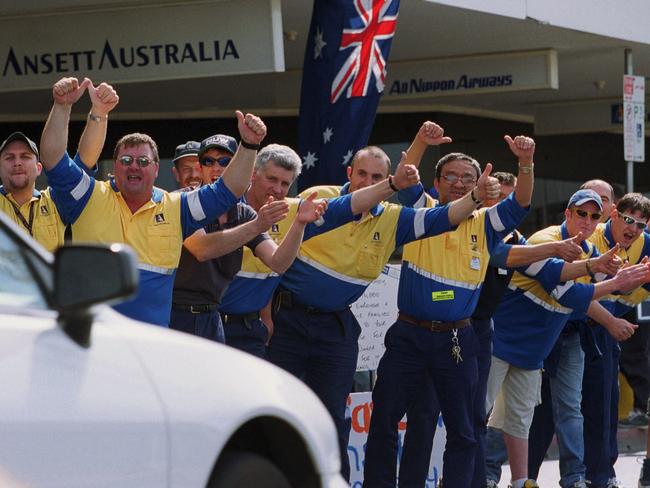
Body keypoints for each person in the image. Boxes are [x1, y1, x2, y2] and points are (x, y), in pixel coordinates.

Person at [269, 135, 502, 481]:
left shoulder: (394, 219)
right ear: (349, 172)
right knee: (276, 414)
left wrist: (475, 197)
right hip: (284, 322)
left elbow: (444, 217)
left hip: (336, 329)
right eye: (362, 174)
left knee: (333, 419)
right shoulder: (319, 199)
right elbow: (278, 253)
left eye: (378, 178)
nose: (368, 182)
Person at [363, 130, 536, 488]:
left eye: (468, 179)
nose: (459, 184)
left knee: (464, 429)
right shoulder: (420, 208)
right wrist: (422, 140)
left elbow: (520, 202)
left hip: (457, 339)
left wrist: (525, 162)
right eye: (451, 177)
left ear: (480, 184)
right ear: (437, 182)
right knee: (384, 420)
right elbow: (406, 169)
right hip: (408, 335)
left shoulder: (487, 222)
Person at [39, 76, 267, 326]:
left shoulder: (176, 207)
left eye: (143, 162)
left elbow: (228, 190)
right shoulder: (89, 195)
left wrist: (249, 145)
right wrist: (62, 106)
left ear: (156, 169)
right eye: (126, 161)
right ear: (115, 166)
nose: (134, 166)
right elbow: (53, 159)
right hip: (93, 340)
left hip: (149, 346)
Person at [487, 189, 649, 488]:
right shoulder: (545, 240)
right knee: (484, 413)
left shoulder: (589, 249)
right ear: (568, 214)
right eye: (582, 214)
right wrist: (613, 283)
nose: (587, 221)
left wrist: (616, 281)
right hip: (503, 339)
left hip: (541, 344)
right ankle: (477, 474)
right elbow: (568, 291)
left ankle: (529, 480)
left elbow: (590, 291)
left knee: (524, 417)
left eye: (593, 216)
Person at [170, 135, 328, 344]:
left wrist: (300, 223)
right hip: (176, 316)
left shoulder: (243, 213)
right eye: (209, 161)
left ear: (239, 169)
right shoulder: (181, 201)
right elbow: (202, 249)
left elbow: (278, 262)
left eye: (226, 162)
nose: (217, 168)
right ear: (200, 168)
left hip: (211, 317)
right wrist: (256, 226)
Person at [0, 77, 118, 251]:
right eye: (9, 157)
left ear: (38, 168)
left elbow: (84, 161)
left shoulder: (56, 202)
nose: (17, 162)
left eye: (25, 157)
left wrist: (99, 112)